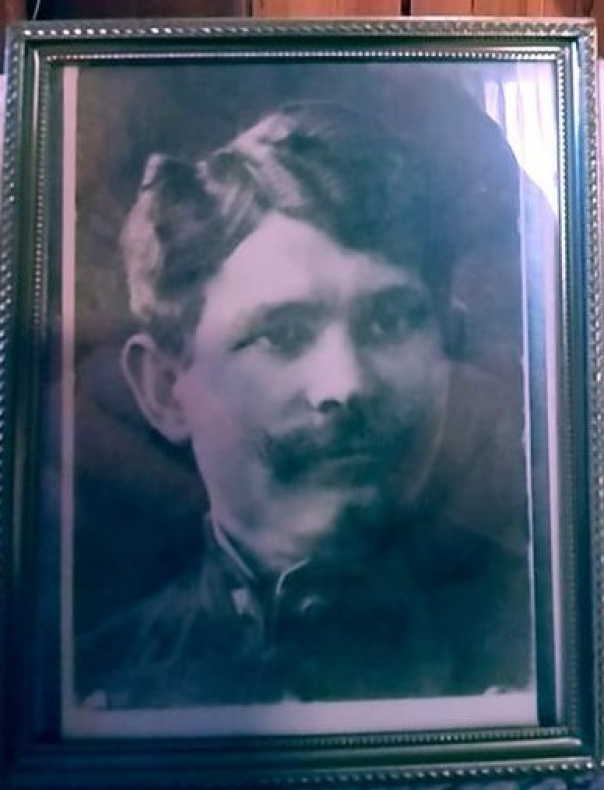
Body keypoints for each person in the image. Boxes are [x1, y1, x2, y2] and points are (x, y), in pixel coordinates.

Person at [76, 101, 532, 709]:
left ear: (446, 341)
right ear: (163, 389)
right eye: (282, 335)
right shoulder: (87, 694)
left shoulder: (548, 644)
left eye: (390, 321)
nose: (348, 384)